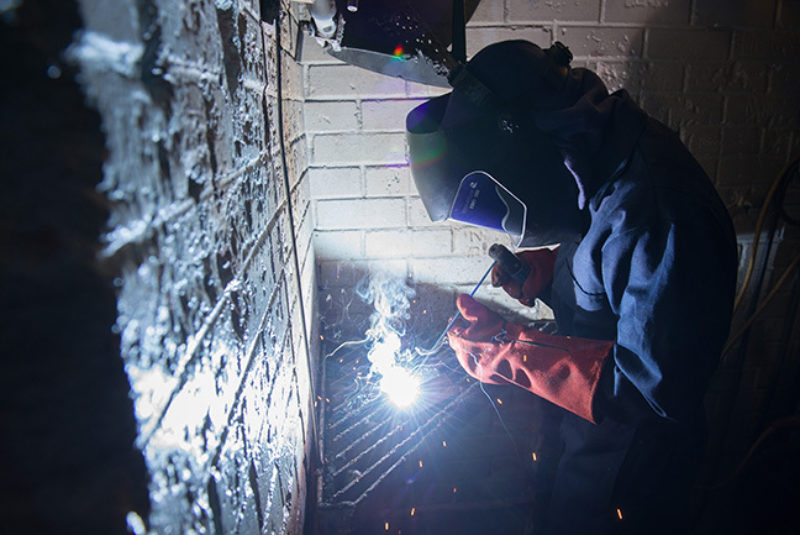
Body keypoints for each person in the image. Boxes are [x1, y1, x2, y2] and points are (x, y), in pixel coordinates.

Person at [406, 40, 738, 534]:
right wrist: (555, 272)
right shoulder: (597, 149)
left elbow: (647, 395)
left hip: (628, 480)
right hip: (591, 452)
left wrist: (508, 352)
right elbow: (613, 272)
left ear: (522, 146)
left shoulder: (659, 214)